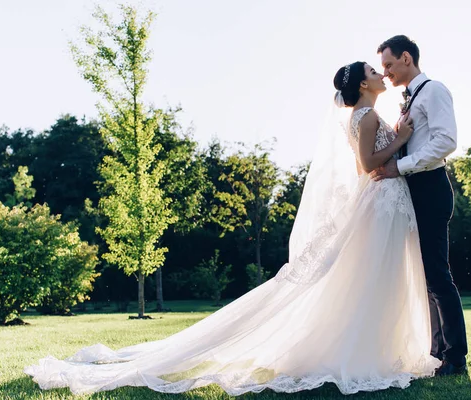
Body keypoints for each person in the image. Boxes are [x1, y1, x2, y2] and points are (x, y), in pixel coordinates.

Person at [25, 61, 440, 396]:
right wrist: (400, 137)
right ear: (362, 85)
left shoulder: (363, 114)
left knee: (381, 277)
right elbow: (367, 166)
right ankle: (368, 355)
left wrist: (398, 139)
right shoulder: (365, 117)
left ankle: (384, 350)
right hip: (381, 200)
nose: (379, 73)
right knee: (376, 277)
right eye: (372, 70)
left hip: (387, 201)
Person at [372, 35, 468, 376]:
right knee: (426, 275)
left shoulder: (435, 90)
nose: (385, 73)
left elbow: (446, 141)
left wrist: (400, 165)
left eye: (388, 65)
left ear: (407, 58)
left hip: (430, 188)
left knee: (438, 275)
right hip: (412, 191)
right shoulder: (410, 98)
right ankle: (437, 351)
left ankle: (455, 356)